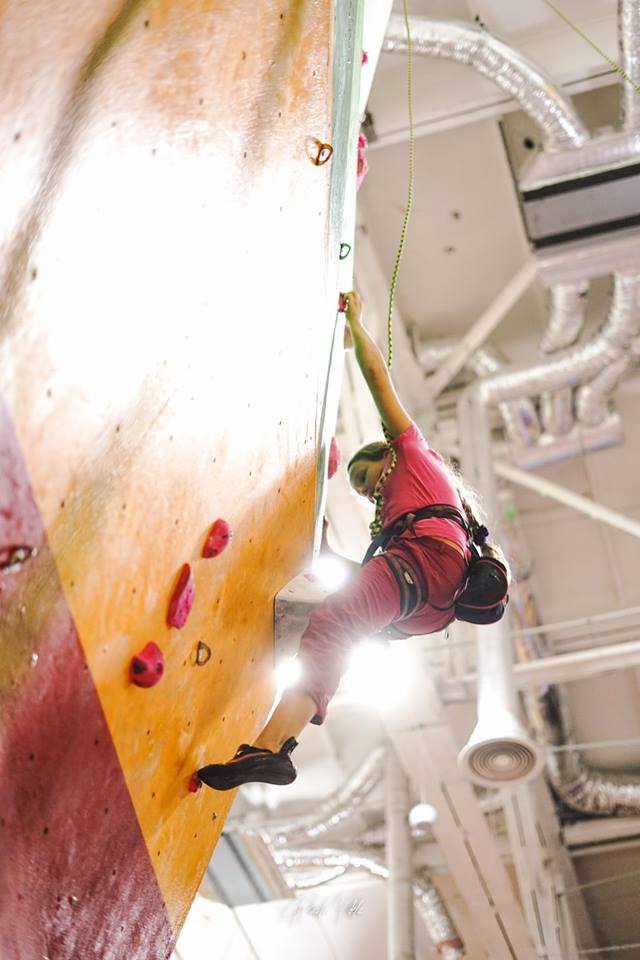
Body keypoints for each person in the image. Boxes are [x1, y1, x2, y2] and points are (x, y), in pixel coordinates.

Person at [197, 291, 507, 791]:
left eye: (368, 480)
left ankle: (273, 747)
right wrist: (319, 547)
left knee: (333, 628)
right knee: (335, 632)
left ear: (388, 454)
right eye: (362, 490)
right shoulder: (416, 521)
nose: (369, 495)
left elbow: (377, 380)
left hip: (425, 567)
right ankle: (272, 745)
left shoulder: (413, 455)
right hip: (427, 603)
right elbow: (361, 581)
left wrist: (356, 326)